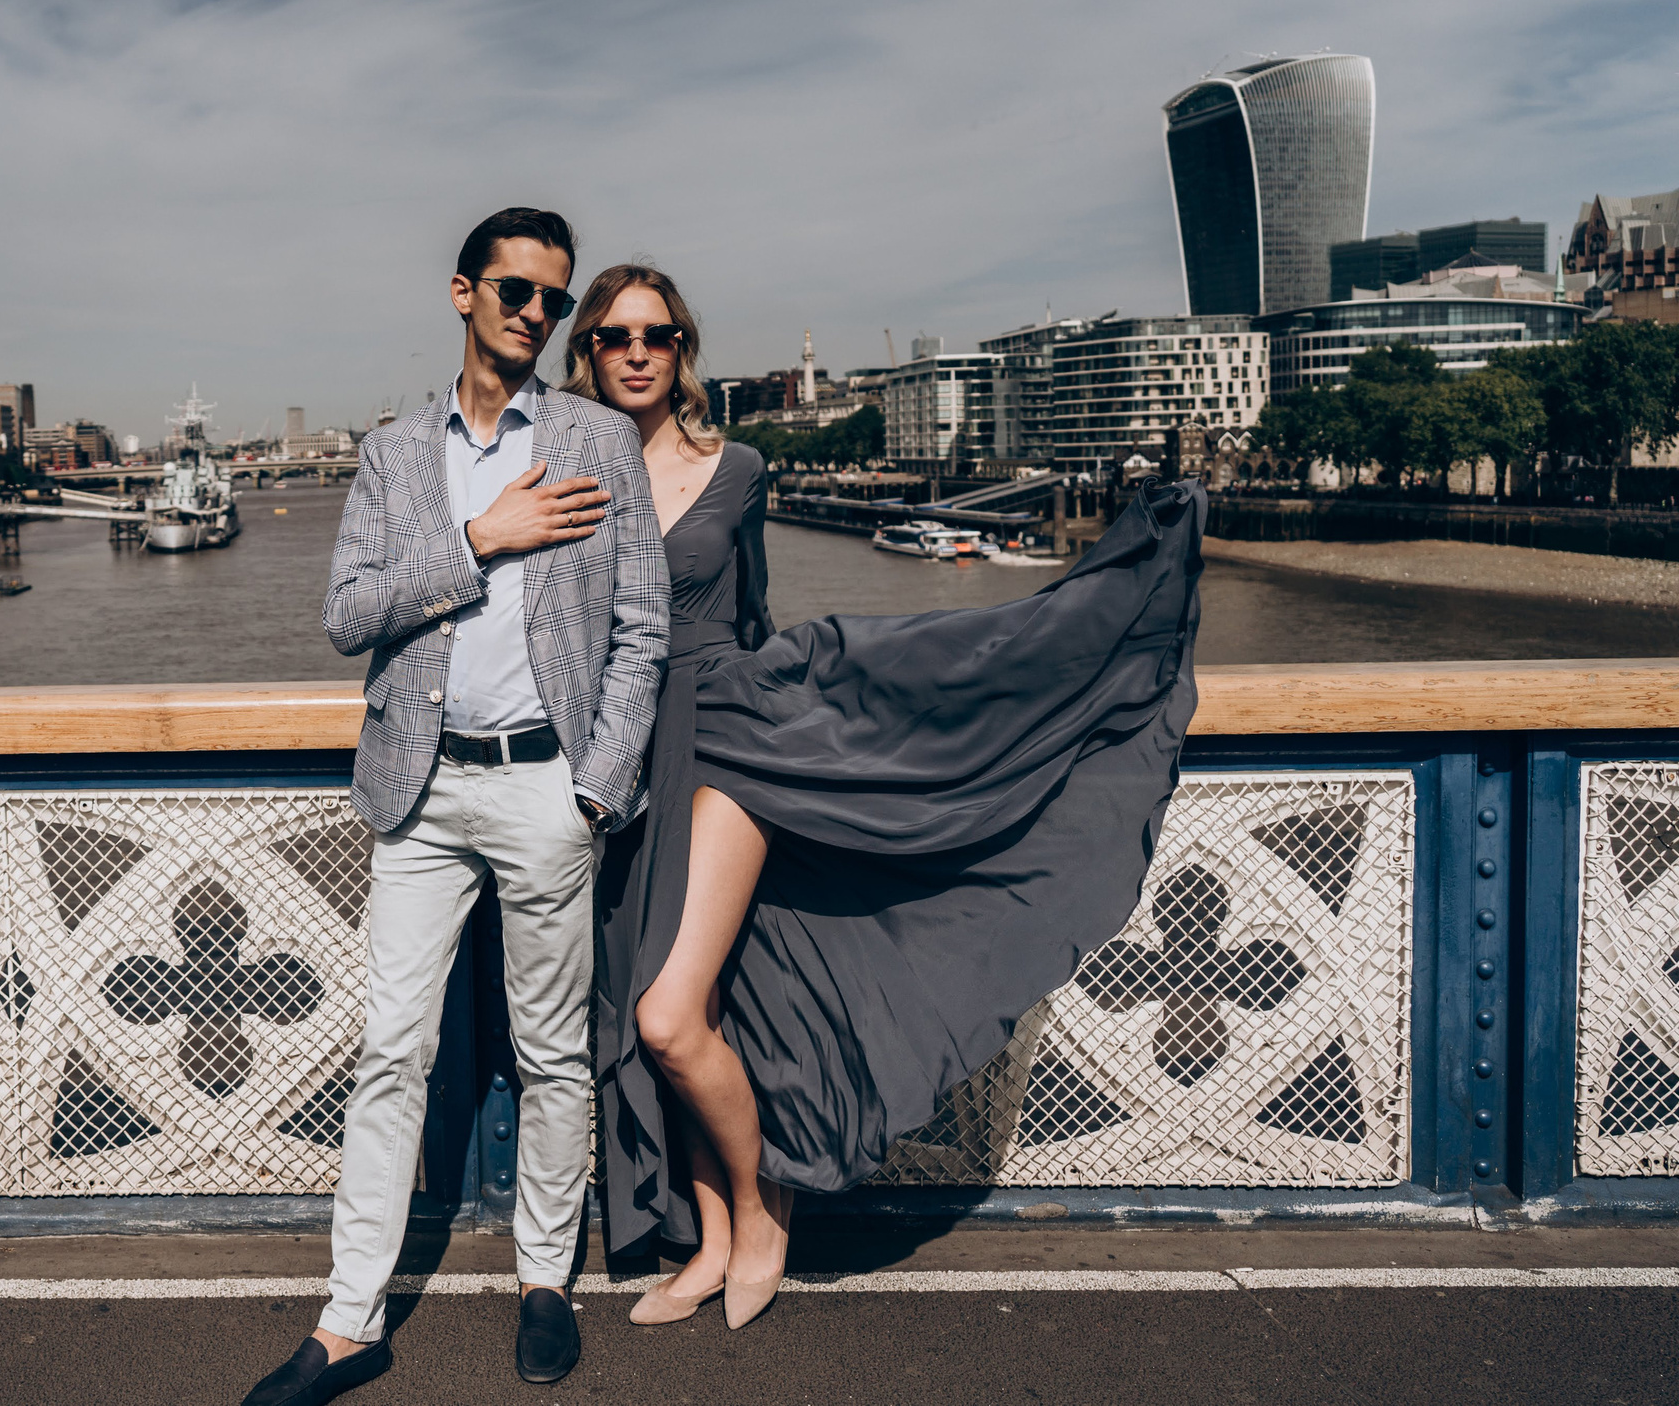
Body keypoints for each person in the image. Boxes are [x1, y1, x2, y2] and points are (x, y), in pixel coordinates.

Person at [571, 262, 1204, 1329]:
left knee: (667, 1016)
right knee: (699, 1008)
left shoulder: (740, 466)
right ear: (584, 354)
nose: (638, 351)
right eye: (615, 335)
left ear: (683, 350)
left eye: (660, 333)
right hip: (626, 756)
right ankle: (710, 1237)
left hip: (731, 739)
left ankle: (767, 1215)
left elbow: (751, 615)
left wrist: (811, 740)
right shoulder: (572, 474)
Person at [240, 210, 669, 1406]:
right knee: (391, 1052)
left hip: (546, 783)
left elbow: (642, 630)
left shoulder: (597, 439)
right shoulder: (389, 453)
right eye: (516, 291)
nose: (538, 314)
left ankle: (545, 1280)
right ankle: (346, 1322)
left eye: (554, 299)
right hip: (419, 790)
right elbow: (347, 615)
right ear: (462, 294)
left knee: (550, 1054)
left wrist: (595, 787)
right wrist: (483, 538)